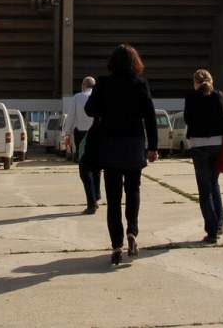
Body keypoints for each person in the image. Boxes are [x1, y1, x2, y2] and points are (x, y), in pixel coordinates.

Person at [85, 44, 159, 265]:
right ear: (135, 62)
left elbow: (90, 110)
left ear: (112, 63)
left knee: (114, 197)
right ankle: (132, 232)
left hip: (110, 145)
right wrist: (153, 146)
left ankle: (116, 245)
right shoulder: (140, 83)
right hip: (134, 144)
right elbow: (150, 117)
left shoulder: (104, 83)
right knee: (133, 189)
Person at [183, 69, 223, 244]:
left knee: (204, 191)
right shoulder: (219, 96)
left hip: (198, 145)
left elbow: (187, 119)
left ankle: (211, 232)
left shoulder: (191, 98)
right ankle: (219, 225)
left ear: (195, 82)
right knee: (214, 184)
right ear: (211, 80)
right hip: (216, 144)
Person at [63, 76, 101, 215]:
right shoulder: (99, 96)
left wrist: (66, 135)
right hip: (99, 134)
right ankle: (96, 196)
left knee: (84, 170)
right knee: (97, 168)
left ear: (83, 85)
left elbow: (71, 117)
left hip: (83, 136)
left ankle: (91, 203)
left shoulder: (78, 97)